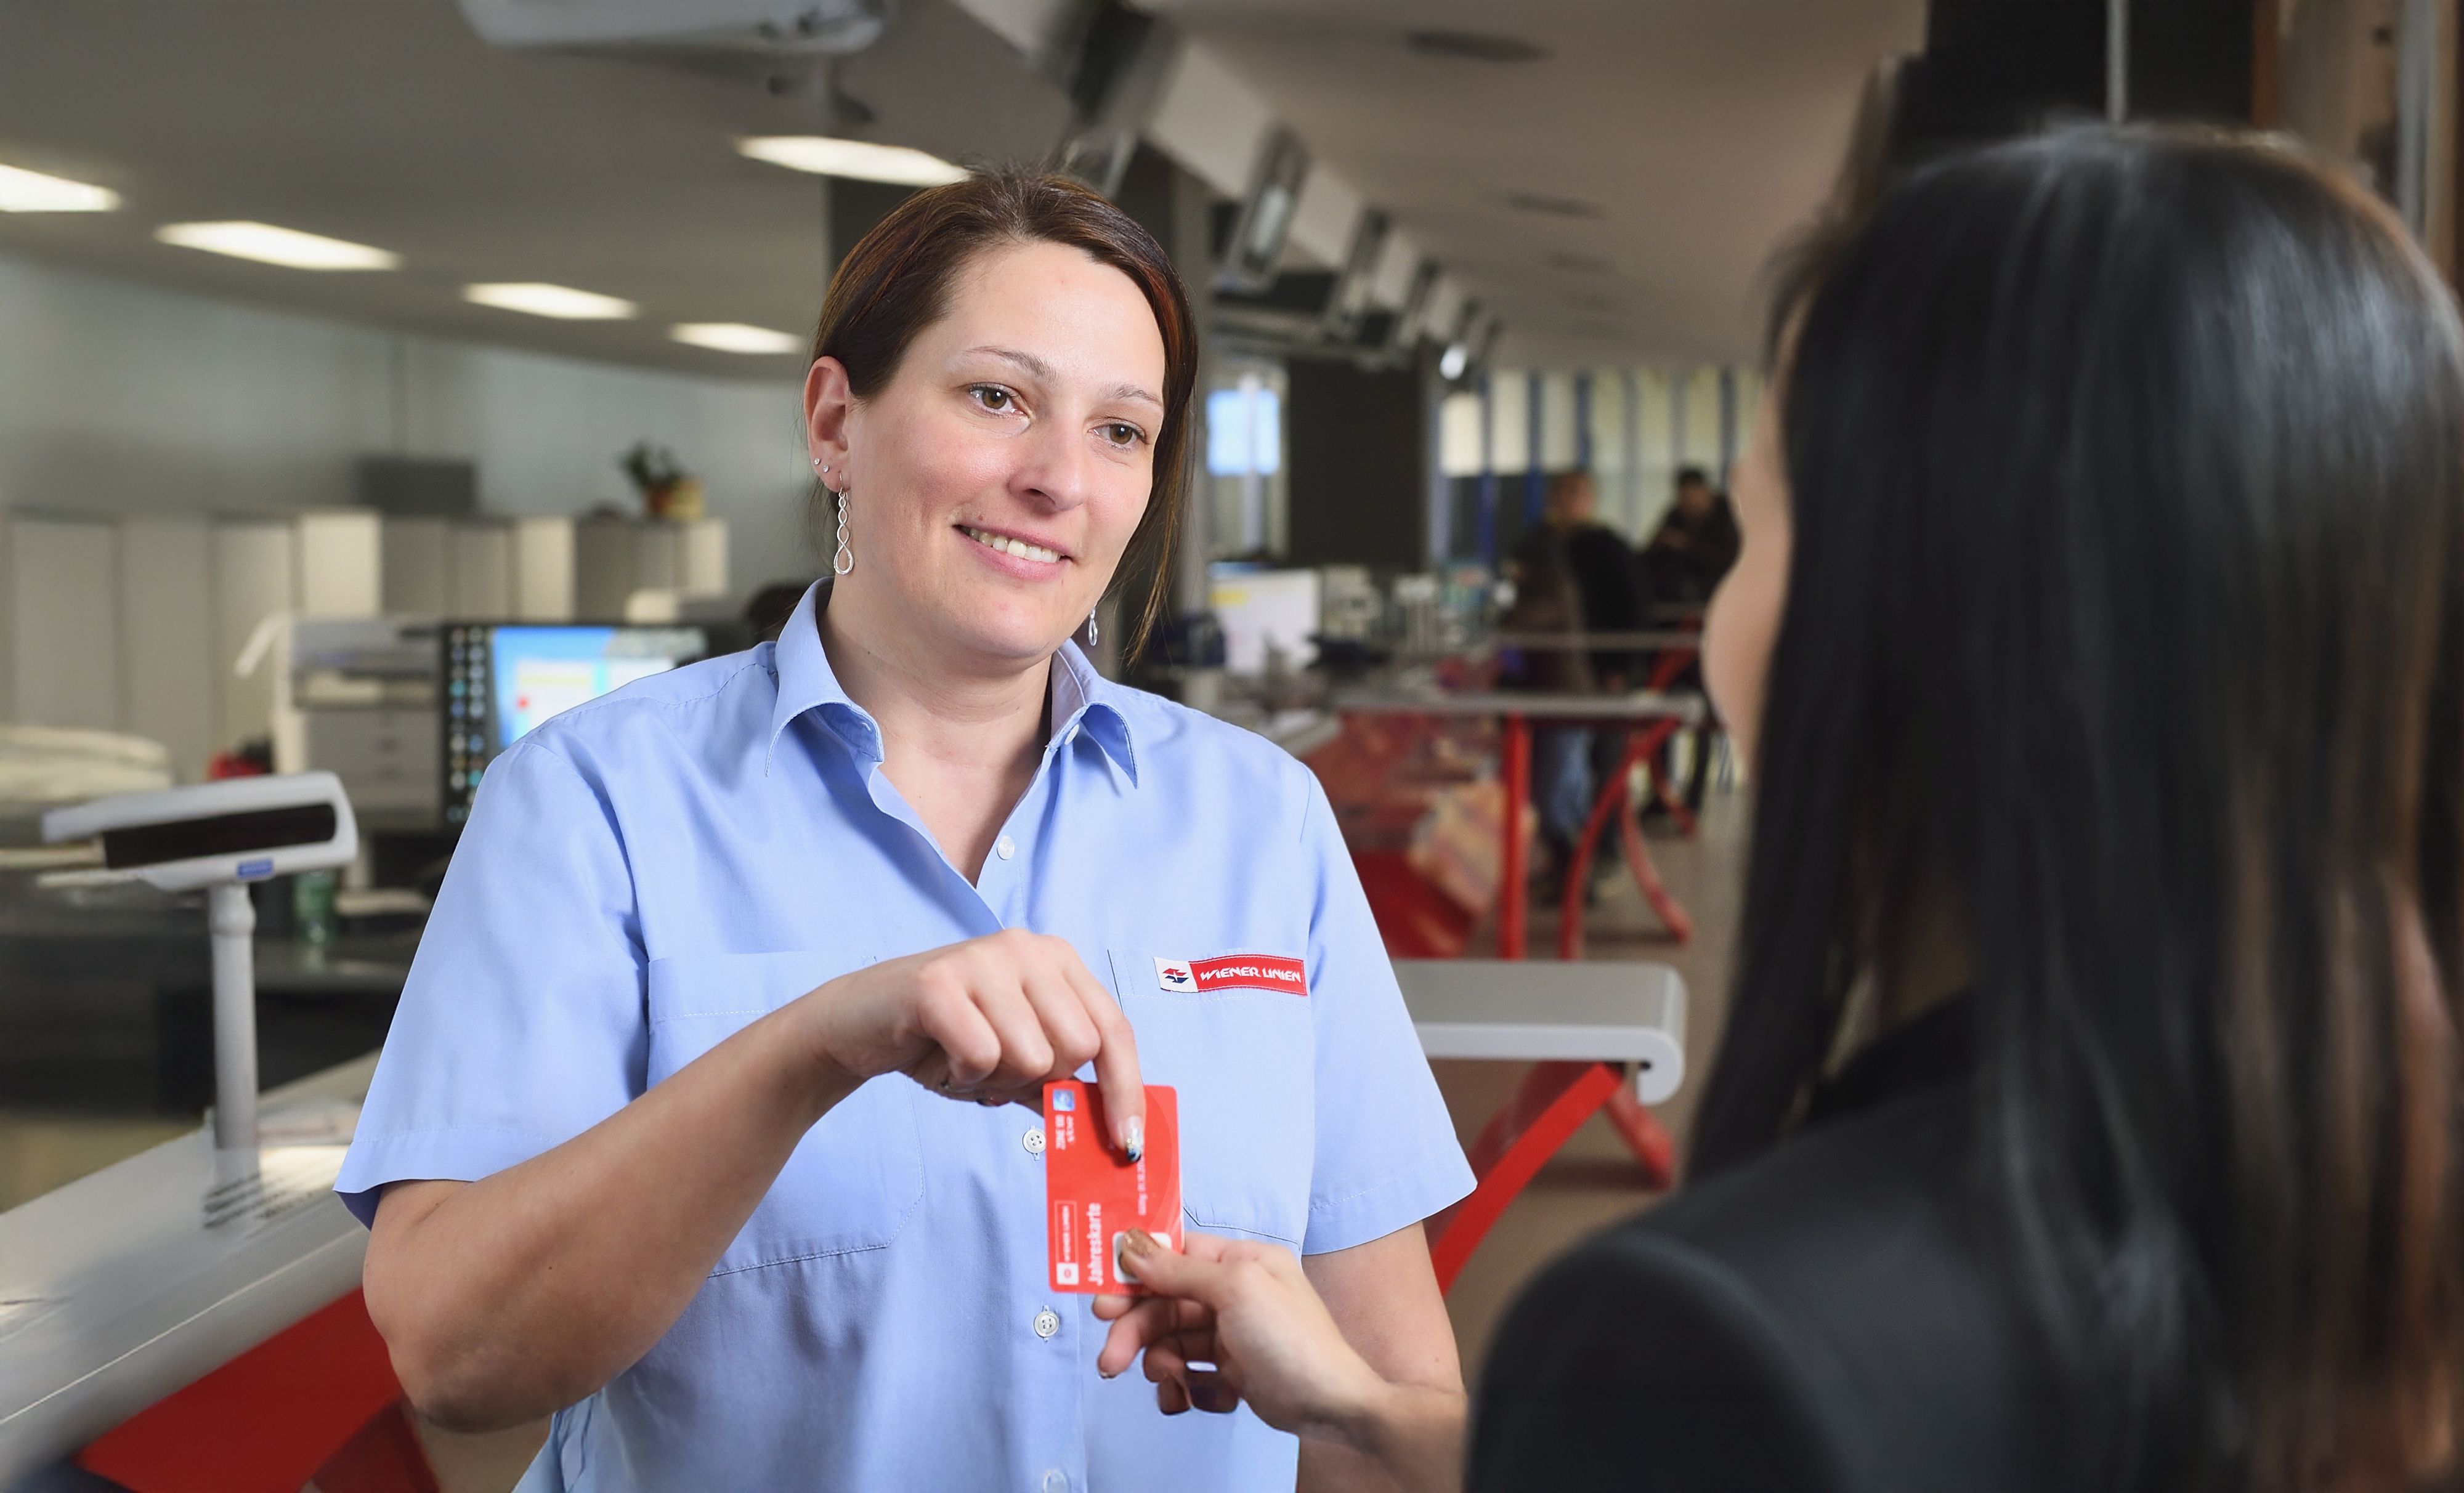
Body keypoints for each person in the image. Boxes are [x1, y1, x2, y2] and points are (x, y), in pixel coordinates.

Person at [1094, 127, 2464, 1493]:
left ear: (1916, 613)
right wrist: (1358, 1404)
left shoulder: (1717, 1339)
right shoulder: (2350, 1213)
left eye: (1759, 532)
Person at [341, 169, 1473, 1492]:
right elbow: (456, 1357)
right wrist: (810, 1046)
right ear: (836, 423)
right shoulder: (591, 801)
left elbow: (1385, 1415)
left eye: (1121, 430)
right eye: (996, 398)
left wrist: (1350, 1405)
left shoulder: (1260, 820)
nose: (1058, 478)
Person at [1640, 465, 1740, 606]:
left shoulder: (1728, 515)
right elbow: (1654, 548)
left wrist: (1686, 545)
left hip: (1718, 587)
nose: (1690, 504)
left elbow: (1729, 558)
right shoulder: (1678, 514)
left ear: (1705, 492)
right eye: (1684, 498)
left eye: (1692, 497)